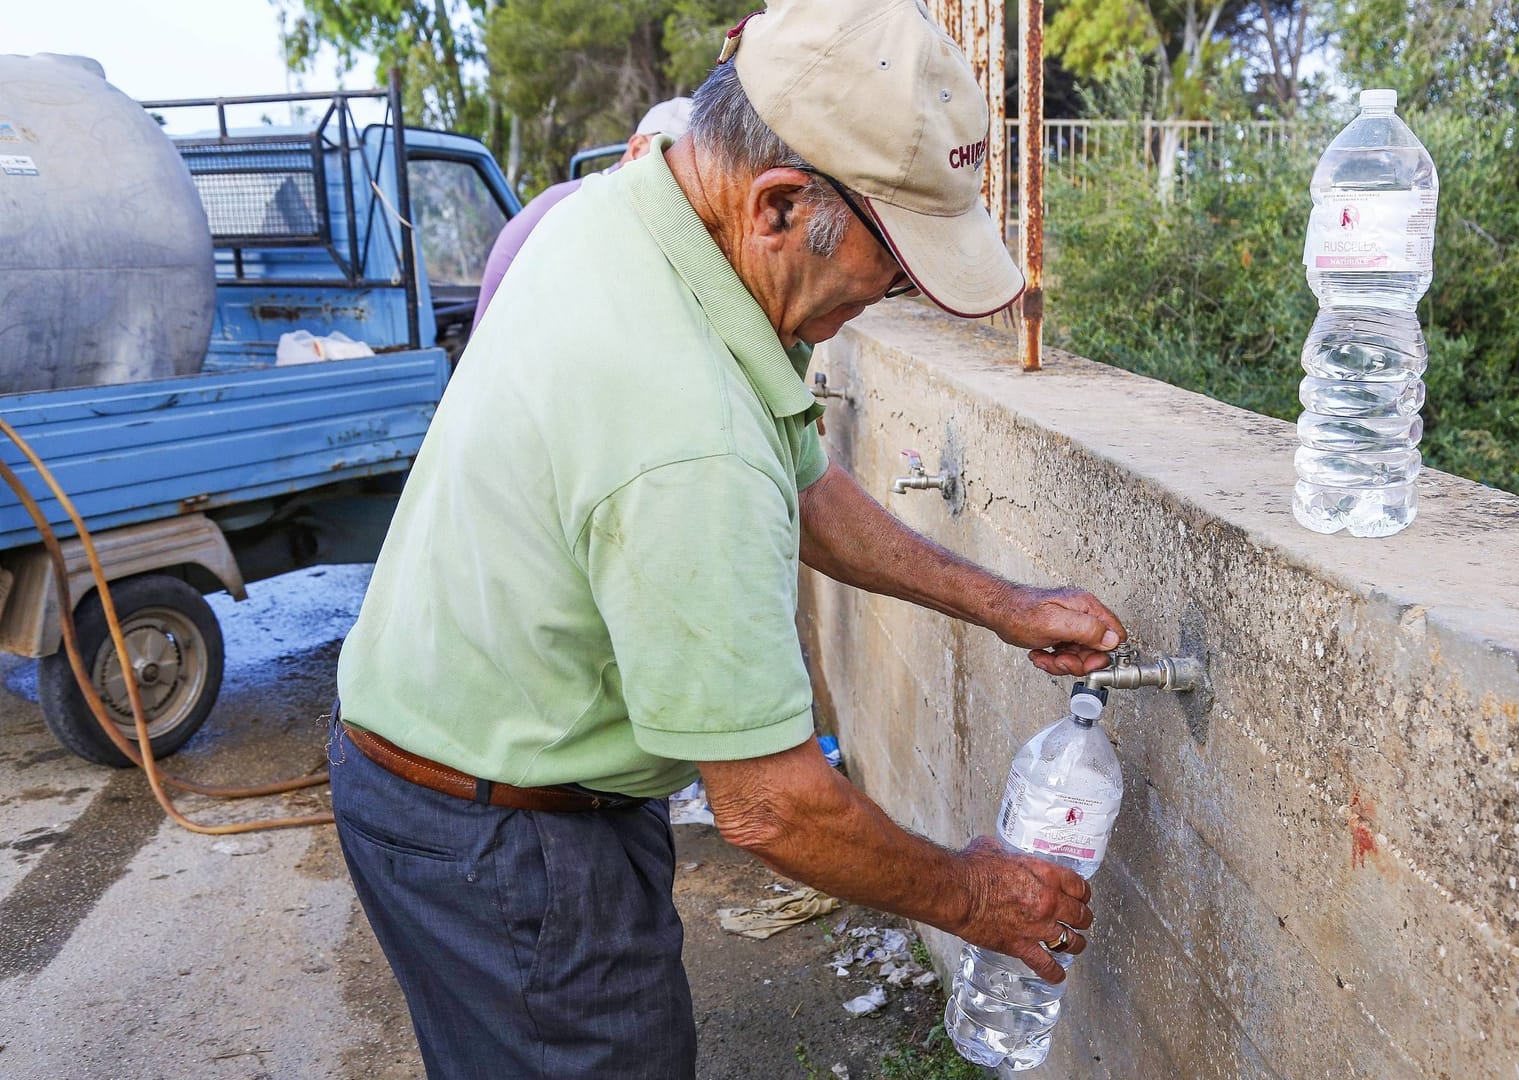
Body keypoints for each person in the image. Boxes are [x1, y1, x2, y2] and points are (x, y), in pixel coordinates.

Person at [328, 2, 1128, 1077]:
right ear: (781, 204)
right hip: (502, 838)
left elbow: (800, 482)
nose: (889, 299)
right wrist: (976, 894)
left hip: (470, 772)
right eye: (891, 267)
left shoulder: (639, 205)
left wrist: (1007, 606)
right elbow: (771, 806)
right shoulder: (684, 433)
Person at [472, 97, 692, 326]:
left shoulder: (624, 209)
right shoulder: (576, 206)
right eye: (669, 161)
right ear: (637, 149)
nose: (679, 180)